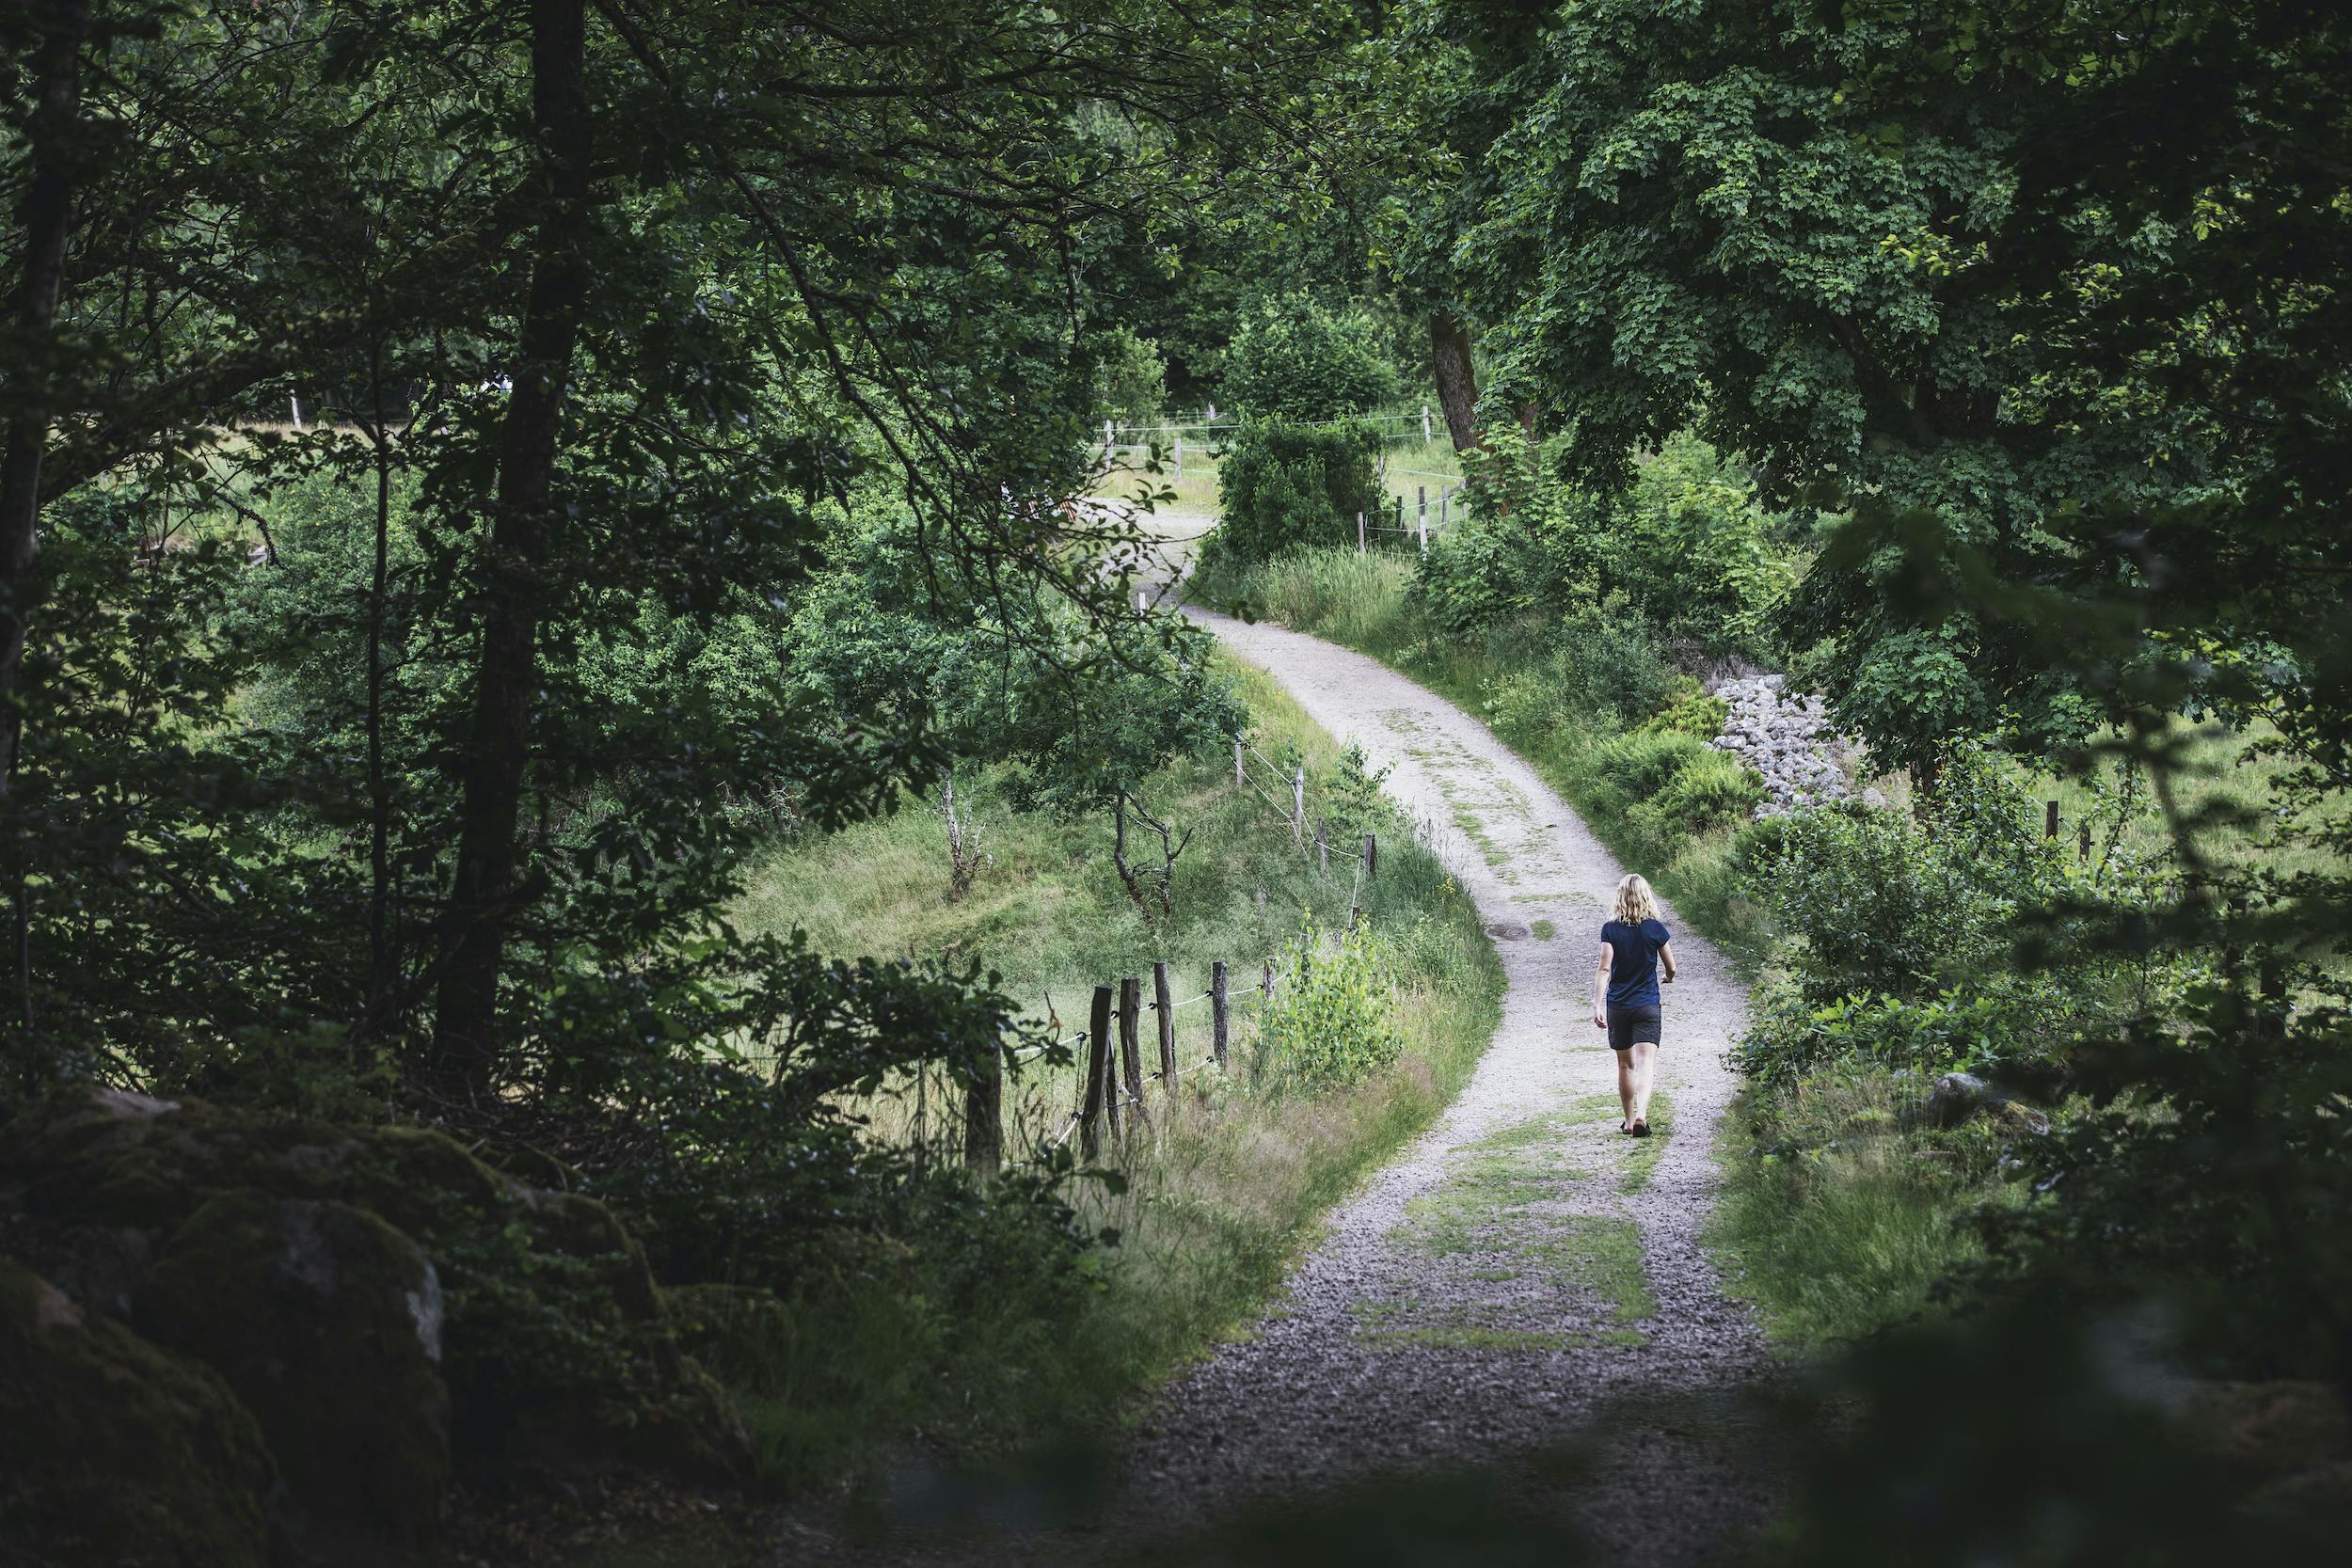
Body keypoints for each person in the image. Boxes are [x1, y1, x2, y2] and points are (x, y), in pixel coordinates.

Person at [1592, 873, 1675, 1136]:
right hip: (1647, 1003)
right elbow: (1671, 966)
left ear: (1620, 897)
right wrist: (1668, 977)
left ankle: (1628, 1122)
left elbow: (1605, 969)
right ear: (1645, 896)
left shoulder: (1610, 929)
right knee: (1646, 1062)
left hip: (1619, 1005)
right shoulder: (1655, 928)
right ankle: (1641, 1114)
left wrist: (1597, 1005)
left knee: (1625, 1064)